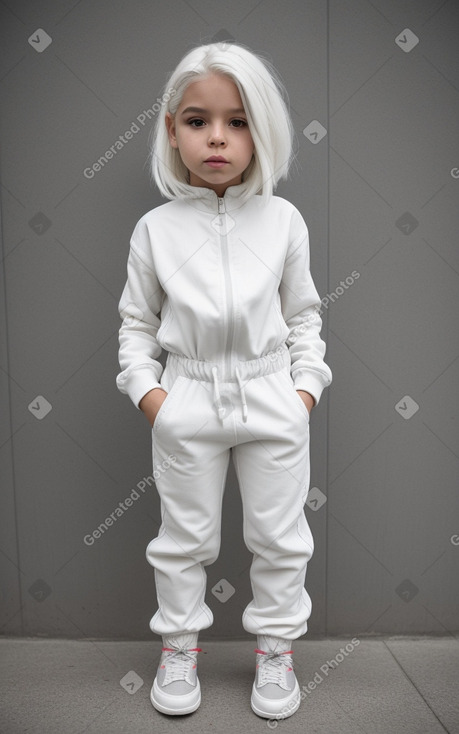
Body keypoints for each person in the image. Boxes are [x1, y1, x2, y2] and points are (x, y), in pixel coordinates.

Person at [116, 41, 332, 721]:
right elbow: (135, 326)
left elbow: (303, 317)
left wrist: (302, 393)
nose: (216, 137)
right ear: (171, 131)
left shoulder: (283, 221)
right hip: (188, 397)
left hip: (272, 398)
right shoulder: (154, 229)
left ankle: (275, 652)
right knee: (183, 538)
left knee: (280, 537)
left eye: (236, 121)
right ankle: (179, 649)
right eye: (197, 120)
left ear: (260, 131)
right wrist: (154, 398)